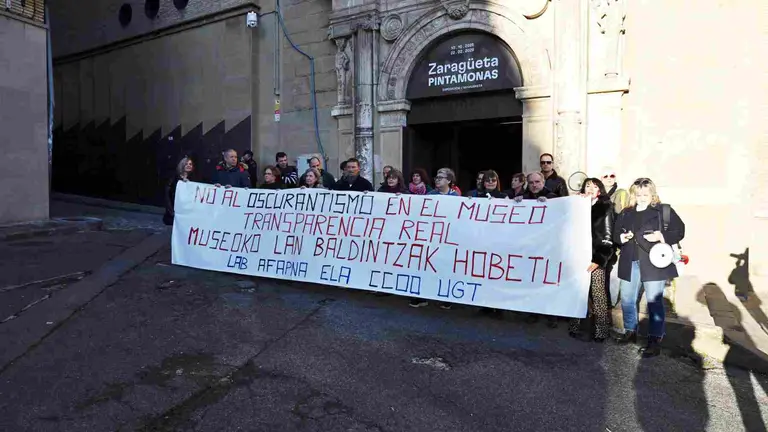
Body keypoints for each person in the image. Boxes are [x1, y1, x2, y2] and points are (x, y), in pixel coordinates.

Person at [614, 177, 686, 358]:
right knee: (628, 300)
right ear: (633, 194)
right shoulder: (626, 212)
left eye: (645, 194)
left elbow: (680, 231)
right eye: (638, 194)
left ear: (652, 193)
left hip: (654, 262)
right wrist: (622, 238)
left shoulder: (663, 211)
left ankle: (655, 340)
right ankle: (630, 331)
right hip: (629, 260)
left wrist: (661, 236)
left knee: (654, 303)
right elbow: (616, 232)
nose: (642, 197)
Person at [568, 178, 614, 342]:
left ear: (599, 191)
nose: (590, 189)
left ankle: (601, 331)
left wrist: (599, 259)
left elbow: (608, 237)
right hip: (577, 257)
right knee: (577, 292)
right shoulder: (578, 206)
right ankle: (574, 326)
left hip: (594, 258)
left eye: (594, 187)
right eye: (587, 185)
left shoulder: (605, 208)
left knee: (598, 294)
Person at [163, 156, 196, 225]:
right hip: (173, 213)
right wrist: (171, 211)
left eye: (190, 164)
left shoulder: (193, 179)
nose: (188, 166)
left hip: (186, 214)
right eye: (186, 164)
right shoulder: (174, 177)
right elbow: (167, 194)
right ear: (182, 165)